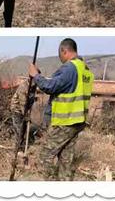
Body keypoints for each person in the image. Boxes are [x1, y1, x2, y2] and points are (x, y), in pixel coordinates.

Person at [29, 38, 94, 180]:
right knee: (66, 160)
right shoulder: (85, 69)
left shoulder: (70, 68)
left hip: (66, 121)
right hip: (78, 121)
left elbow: (50, 87)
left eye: (60, 54)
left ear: (64, 51)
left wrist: (36, 76)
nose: (60, 58)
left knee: (44, 156)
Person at [10, 76, 41, 146]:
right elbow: (23, 104)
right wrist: (26, 116)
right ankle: (18, 149)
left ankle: (24, 144)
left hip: (25, 110)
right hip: (17, 110)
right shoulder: (23, 87)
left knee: (24, 129)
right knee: (19, 130)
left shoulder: (33, 86)